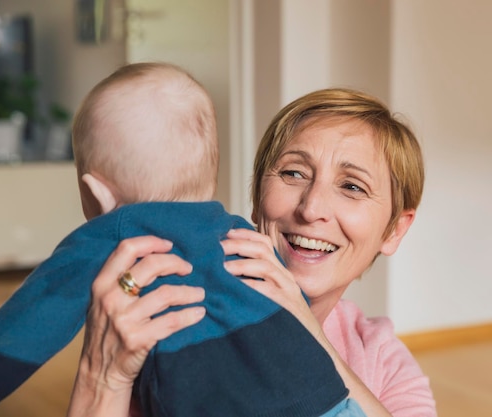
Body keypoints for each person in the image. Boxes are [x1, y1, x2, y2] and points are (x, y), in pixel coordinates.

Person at [0, 63, 366, 417]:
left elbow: (27, 327)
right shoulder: (239, 232)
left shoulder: (114, 233)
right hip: (330, 400)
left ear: (95, 193)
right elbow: (287, 301)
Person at [65, 87, 438, 417]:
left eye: (353, 186)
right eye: (293, 173)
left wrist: (311, 338)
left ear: (394, 229)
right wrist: (103, 376)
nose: (311, 209)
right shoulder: (173, 308)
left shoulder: (382, 361)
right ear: (257, 198)